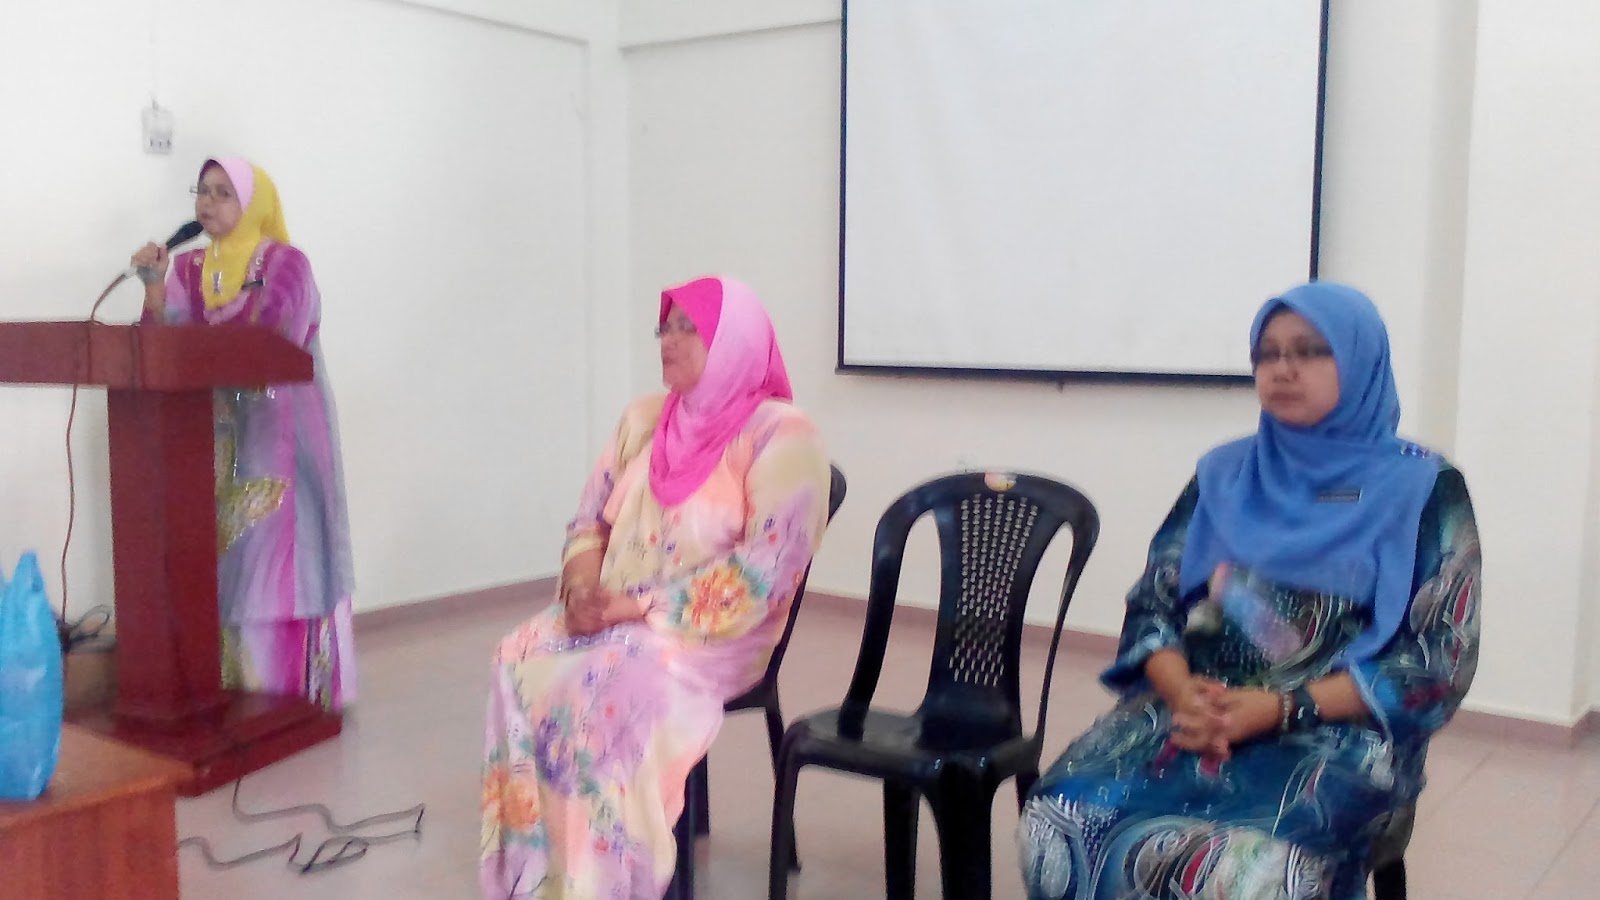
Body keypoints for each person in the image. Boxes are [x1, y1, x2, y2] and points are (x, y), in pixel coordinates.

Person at [1016, 282, 1481, 899]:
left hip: (1336, 726)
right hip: (1197, 708)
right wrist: (1182, 693)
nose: (1283, 369)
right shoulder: (1224, 473)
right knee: (1057, 816)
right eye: (1268, 354)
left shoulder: (1423, 489)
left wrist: (1281, 707)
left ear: (1359, 359)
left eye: (1310, 350)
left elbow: (1439, 663)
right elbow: (1154, 603)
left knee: (1247, 868)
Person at [479, 276, 832, 899]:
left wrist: (635, 607)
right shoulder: (642, 420)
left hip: (714, 632)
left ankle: (607, 879)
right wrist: (581, 589)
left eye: (687, 327)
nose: (668, 340)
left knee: (603, 683)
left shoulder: (780, 433)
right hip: (614, 609)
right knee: (517, 654)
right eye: (663, 327)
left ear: (732, 341)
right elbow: (588, 521)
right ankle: (536, 872)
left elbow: (766, 570)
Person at [130, 157, 356, 710]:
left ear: (253, 204)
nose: (206, 203)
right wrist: (155, 289)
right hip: (214, 439)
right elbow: (159, 348)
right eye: (202, 191)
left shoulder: (286, 264)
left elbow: (272, 341)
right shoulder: (188, 270)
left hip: (283, 434)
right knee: (226, 561)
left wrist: (199, 336)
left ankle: (293, 694)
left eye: (223, 192)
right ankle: (232, 692)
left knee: (278, 561)